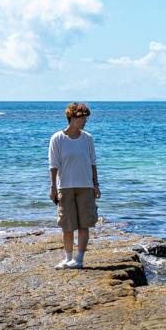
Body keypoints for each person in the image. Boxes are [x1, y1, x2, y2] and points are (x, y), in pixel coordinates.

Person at [48, 102, 98, 268]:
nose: (85, 121)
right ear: (72, 118)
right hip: (65, 187)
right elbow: (53, 165)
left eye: (86, 118)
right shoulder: (58, 138)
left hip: (85, 186)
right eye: (82, 118)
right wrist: (53, 187)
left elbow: (93, 163)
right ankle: (68, 258)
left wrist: (96, 184)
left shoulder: (87, 138)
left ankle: (79, 259)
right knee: (67, 225)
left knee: (84, 224)